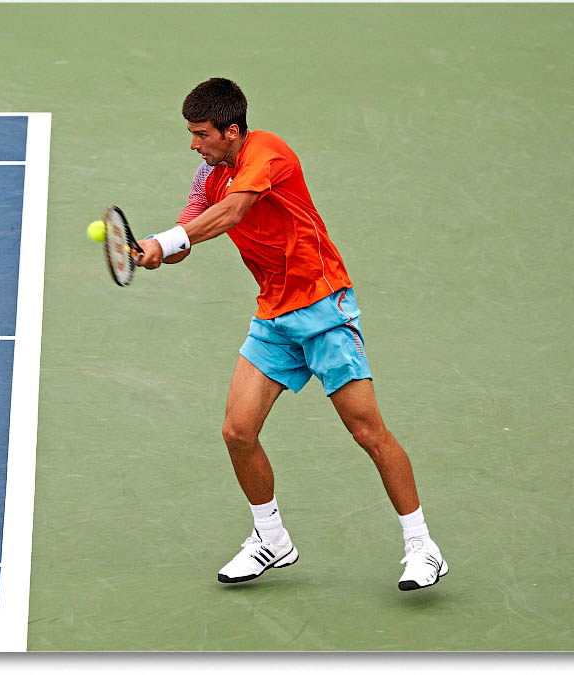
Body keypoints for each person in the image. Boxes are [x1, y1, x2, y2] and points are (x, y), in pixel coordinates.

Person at [137, 77, 447, 590]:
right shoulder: (205, 177)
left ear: (231, 131)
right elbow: (189, 236)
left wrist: (165, 239)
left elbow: (234, 211)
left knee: (367, 431)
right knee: (238, 431)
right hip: (274, 316)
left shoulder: (269, 153)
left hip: (324, 308)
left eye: (201, 134)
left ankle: (422, 547)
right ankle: (271, 538)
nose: (193, 144)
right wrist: (155, 252)